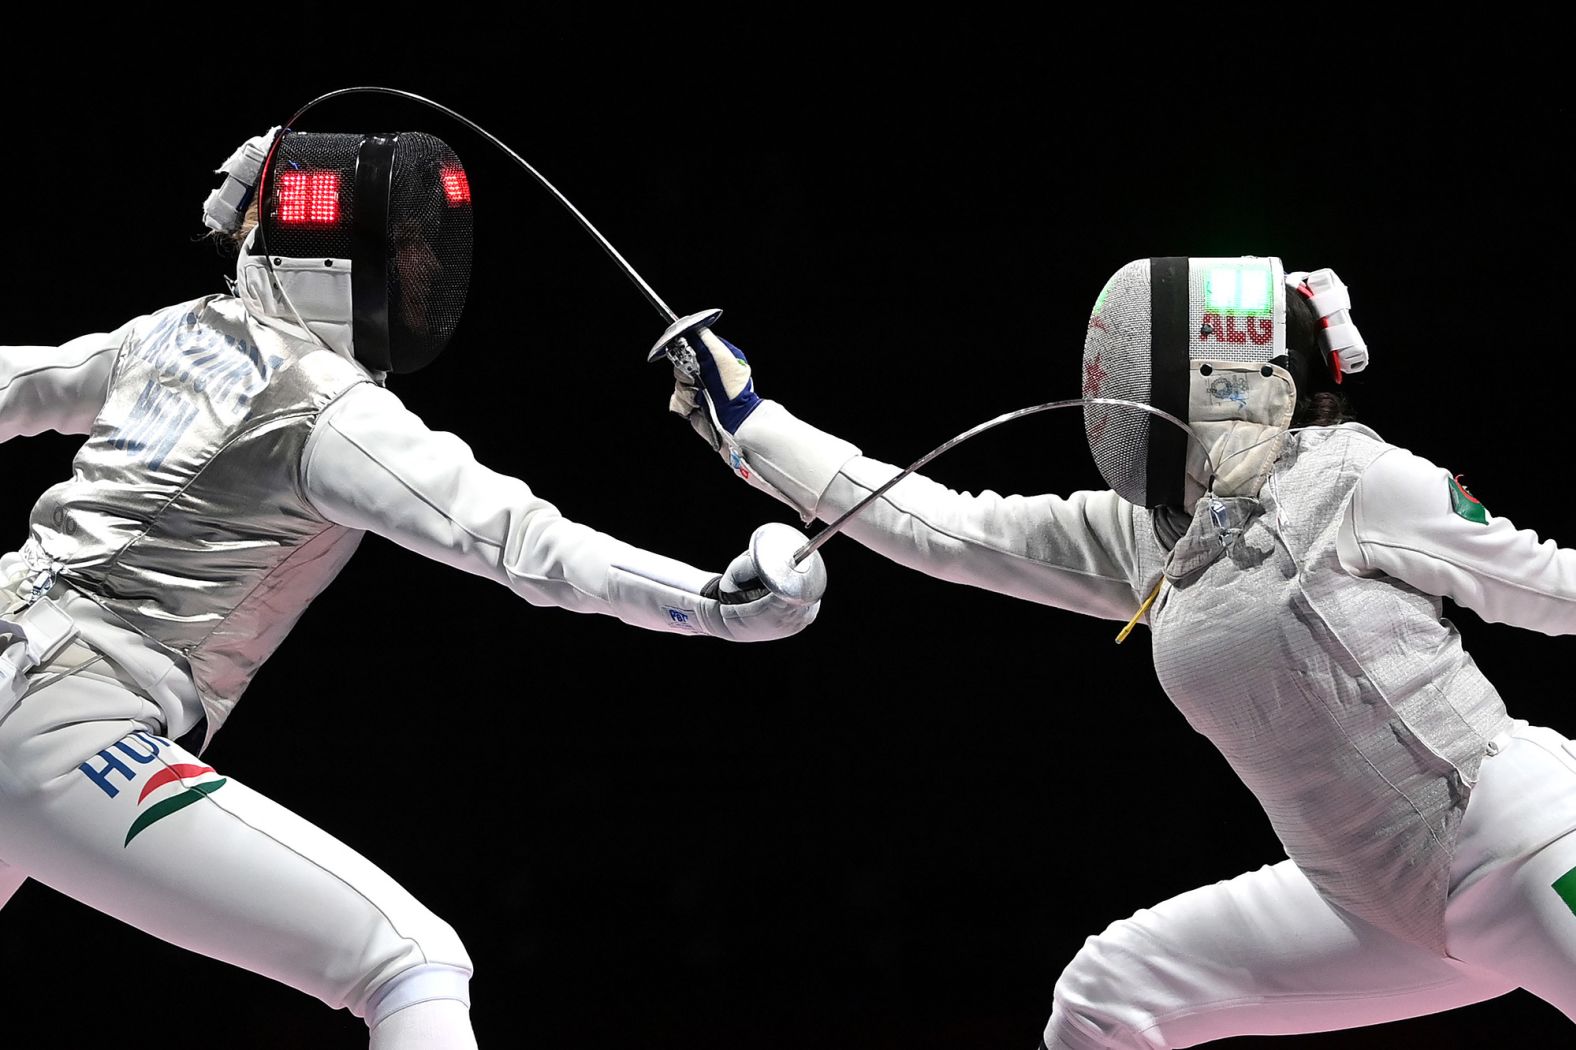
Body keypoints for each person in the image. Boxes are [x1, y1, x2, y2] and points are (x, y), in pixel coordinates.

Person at [0, 127, 824, 1050]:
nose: (429, 269)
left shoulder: (174, 335)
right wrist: (715, 601)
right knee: (410, 961)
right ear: (350, 259)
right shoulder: (329, 412)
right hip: (57, 724)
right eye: (412, 247)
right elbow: (527, 546)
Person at [660, 255, 1576, 1047]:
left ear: (1227, 375)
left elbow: (1556, 590)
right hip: (1372, 904)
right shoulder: (1149, 538)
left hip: (1516, 843)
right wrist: (750, 423)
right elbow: (934, 524)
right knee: (1105, 1002)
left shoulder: (1358, 479)